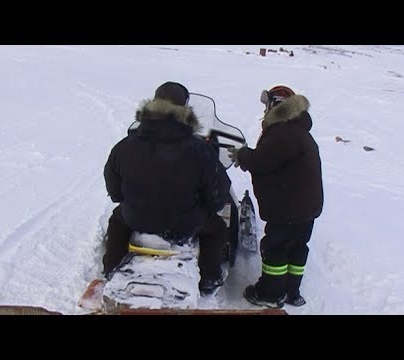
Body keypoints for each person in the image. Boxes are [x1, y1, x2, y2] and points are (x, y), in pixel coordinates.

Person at [103, 81, 231, 294]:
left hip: (137, 218)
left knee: (118, 220)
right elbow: (217, 197)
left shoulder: (124, 146)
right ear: (184, 110)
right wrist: (207, 206)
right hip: (184, 224)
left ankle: (111, 266)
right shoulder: (201, 150)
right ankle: (209, 277)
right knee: (216, 229)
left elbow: (115, 192)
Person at [228, 85, 324, 308]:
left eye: (266, 105)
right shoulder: (297, 131)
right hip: (305, 206)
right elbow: (272, 159)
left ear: (276, 105)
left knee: (276, 247)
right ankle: (291, 291)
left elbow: (262, 162)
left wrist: (243, 155)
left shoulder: (283, 132)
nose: (264, 111)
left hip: (288, 206)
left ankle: (270, 294)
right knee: (297, 246)